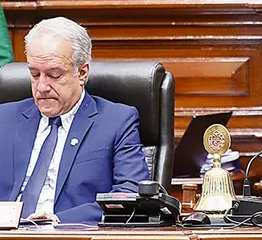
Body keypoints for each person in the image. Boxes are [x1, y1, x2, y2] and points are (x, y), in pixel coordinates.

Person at [0, 17, 150, 223]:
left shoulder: (116, 122)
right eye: (35, 74)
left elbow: (129, 195)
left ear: (82, 73)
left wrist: (56, 220)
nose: (42, 86)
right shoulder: (4, 119)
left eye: (54, 75)